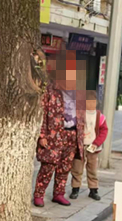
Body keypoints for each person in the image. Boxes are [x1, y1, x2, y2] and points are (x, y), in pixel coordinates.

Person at [34, 50, 85, 208]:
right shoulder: (50, 89)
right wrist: (42, 135)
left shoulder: (78, 90)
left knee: (65, 167)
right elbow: (41, 112)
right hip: (54, 134)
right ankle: (39, 194)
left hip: (72, 134)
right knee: (48, 165)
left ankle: (59, 194)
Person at [70, 90, 107, 201]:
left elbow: (104, 131)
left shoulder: (99, 116)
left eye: (93, 102)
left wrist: (96, 143)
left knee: (92, 169)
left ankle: (93, 189)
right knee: (77, 168)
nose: (91, 104)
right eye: (88, 102)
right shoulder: (80, 114)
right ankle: (75, 188)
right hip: (80, 146)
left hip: (93, 147)